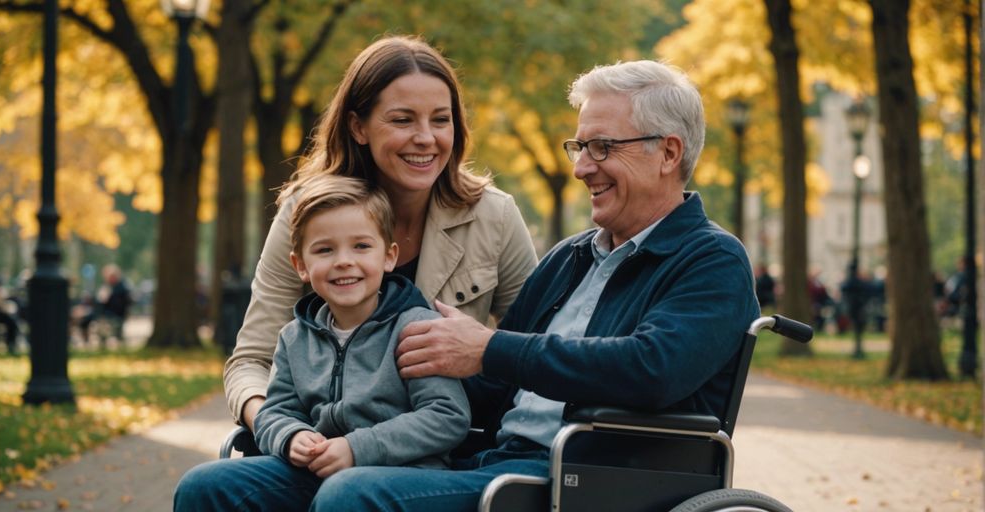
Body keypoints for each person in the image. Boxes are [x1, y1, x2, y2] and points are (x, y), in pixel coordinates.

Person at [304, 60, 761, 511]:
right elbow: (486, 387)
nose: (582, 167)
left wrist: (488, 348)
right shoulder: (572, 256)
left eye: (601, 147)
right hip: (491, 460)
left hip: (585, 478)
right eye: (579, 147)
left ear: (668, 153)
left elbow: (651, 370)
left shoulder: (710, 260)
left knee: (352, 495)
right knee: (245, 483)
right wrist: (350, 410)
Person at [223, 35, 537, 434]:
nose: (426, 138)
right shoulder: (305, 212)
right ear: (358, 127)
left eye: (441, 120)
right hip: (315, 446)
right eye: (403, 120)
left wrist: (480, 352)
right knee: (207, 487)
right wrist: (276, 429)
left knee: (347, 495)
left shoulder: (493, 215)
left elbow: (534, 352)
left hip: (443, 450)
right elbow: (251, 360)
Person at [174, 175, 471, 509]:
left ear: (388, 257)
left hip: (402, 475)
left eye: (361, 246)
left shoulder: (417, 328)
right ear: (301, 265)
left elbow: (447, 415)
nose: (343, 260)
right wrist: (291, 437)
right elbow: (277, 410)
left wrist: (358, 448)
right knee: (202, 485)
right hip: (319, 469)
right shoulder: (295, 338)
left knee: (342, 493)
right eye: (325, 250)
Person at [77, 264, 132, 344]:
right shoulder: (113, 286)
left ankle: (88, 341)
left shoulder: (119, 288)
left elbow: (104, 302)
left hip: (111, 314)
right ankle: (86, 341)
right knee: (85, 319)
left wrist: (100, 299)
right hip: (106, 312)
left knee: (86, 319)